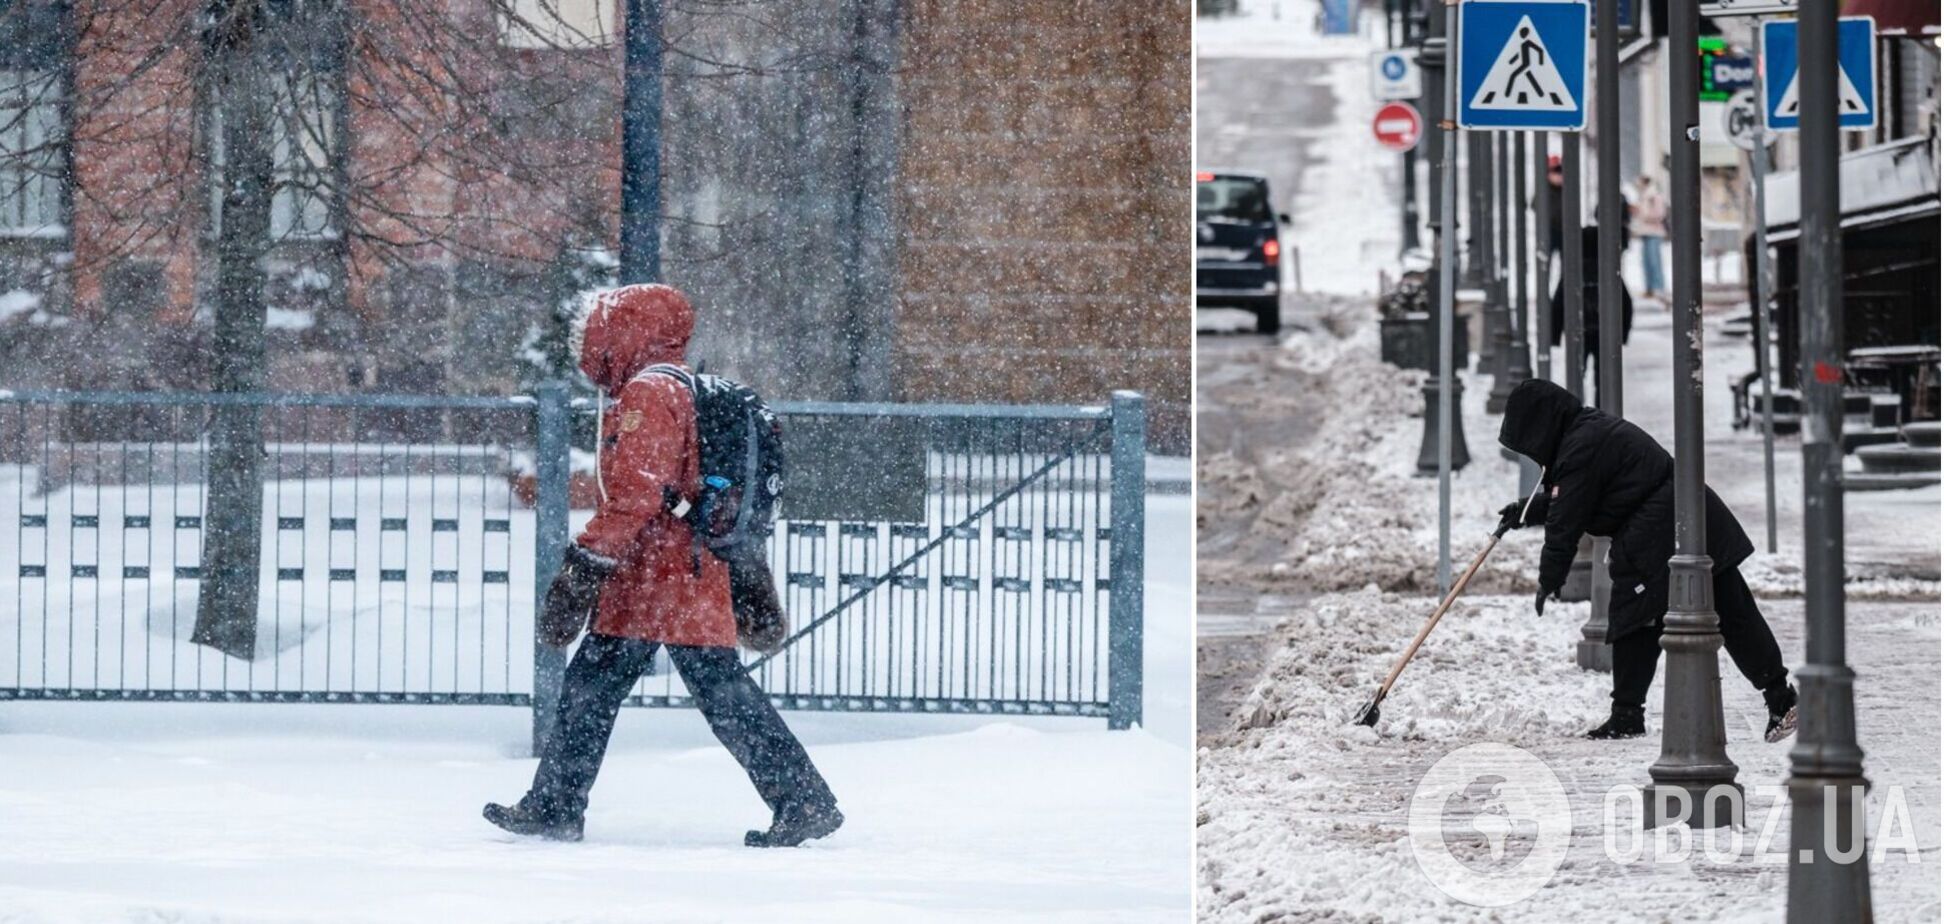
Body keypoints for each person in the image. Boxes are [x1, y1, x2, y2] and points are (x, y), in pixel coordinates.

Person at [485, 283, 842, 847]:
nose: (587, 342)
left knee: (693, 691)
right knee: (615, 687)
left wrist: (583, 566)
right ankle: (555, 805)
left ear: (626, 330)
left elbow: (636, 495)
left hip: (665, 576)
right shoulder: (671, 385)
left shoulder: (649, 393)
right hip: (669, 573)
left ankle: (803, 800)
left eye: (596, 329)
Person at [1494, 379, 1799, 742]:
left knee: (1637, 613)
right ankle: (1779, 695)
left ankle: (1628, 714)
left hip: (1660, 523)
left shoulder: (1580, 446)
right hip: (1684, 511)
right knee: (1728, 608)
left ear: (1540, 426)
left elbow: (1566, 520)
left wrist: (1549, 579)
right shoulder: (1584, 433)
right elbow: (1577, 498)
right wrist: (1526, 511)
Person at [1549, 220, 1633, 406]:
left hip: (1578, 330)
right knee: (1603, 377)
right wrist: (1623, 334)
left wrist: (1554, 336)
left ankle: (1577, 411)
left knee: (1576, 374)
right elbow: (1626, 303)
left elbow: (1558, 303)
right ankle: (1601, 411)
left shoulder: (1572, 273)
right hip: (1605, 332)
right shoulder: (1608, 273)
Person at [1630, 174, 1669, 301]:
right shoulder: (1643, 196)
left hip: (1654, 231)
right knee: (1646, 261)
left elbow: (1660, 213)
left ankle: (1658, 287)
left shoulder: (1653, 196)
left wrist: (1643, 214)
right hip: (1645, 231)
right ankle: (1650, 288)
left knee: (1654, 260)